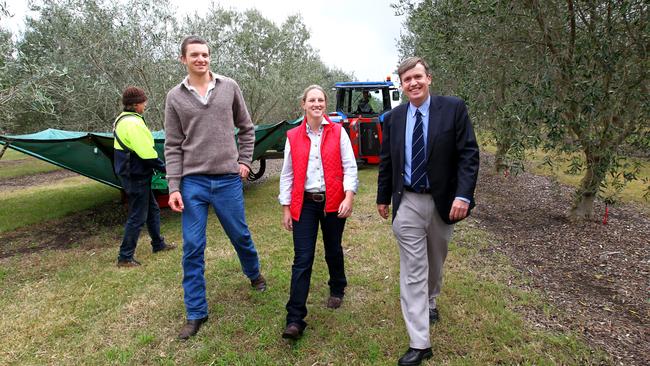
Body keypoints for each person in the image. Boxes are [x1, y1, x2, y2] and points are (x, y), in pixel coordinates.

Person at [376, 57, 479, 366]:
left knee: (435, 261)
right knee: (413, 270)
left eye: (417, 76)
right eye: (407, 79)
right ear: (402, 85)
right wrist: (383, 198)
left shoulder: (453, 109)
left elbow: (468, 155)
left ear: (428, 78)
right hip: (407, 201)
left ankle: (432, 300)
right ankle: (420, 342)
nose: (413, 83)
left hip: (443, 201)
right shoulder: (393, 118)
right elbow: (387, 161)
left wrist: (463, 195)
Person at [164, 35, 267, 340]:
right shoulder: (174, 97)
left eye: (205, 54)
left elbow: (247, 128)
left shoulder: (229, 87)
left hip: (227, 180)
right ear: (184, 59)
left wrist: (245, 162)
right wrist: (173, 187)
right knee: (193, 246)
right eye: (194, 55)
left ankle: (253, 273)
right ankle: (196, 312)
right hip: (192, 182)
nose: (201, 59)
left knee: (240, 234)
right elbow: (172, 145)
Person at [278, 85, 358, 340]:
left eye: (320, 100)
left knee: (333, 248)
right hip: (305, 204)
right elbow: (287, 174)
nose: (316, 104)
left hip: (333, 201)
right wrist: (286, 208)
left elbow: (349, 166)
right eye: (311, 100)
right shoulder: (292, 136)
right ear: (303, 104)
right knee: (303, 258)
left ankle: (337, 287)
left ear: (325, 104)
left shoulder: (338, 131)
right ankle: (295, 319)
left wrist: (349, 196)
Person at [113, 86, 175, 268]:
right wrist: (165, 168)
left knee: (152, 210)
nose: (145, 105)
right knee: (137, 216)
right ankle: (124, 257)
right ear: (136, 104)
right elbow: (146, 153)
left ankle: (158, 244)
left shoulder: (123, 119)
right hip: (136, 174)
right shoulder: (132, 123)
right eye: (143, 102)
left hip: (134, 172)